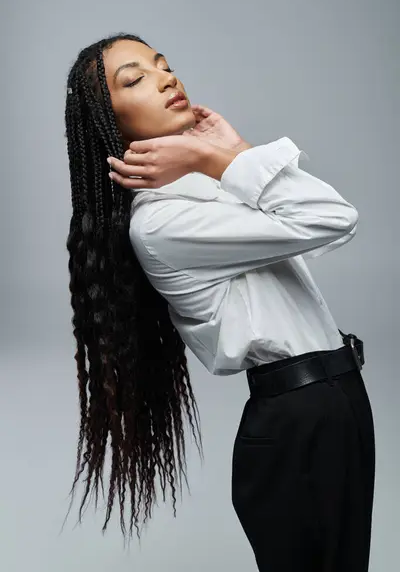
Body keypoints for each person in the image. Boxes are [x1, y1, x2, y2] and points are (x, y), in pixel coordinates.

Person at [64, 32, 375, 570]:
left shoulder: (210, 192)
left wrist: (231, 154)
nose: (165, 77)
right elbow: (334, 217)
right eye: (136, 79)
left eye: (164, 65)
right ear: (108, 123)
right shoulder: (163, 222)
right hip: (296, 423)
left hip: (335, 405)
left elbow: (326, 222)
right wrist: (217, 157)